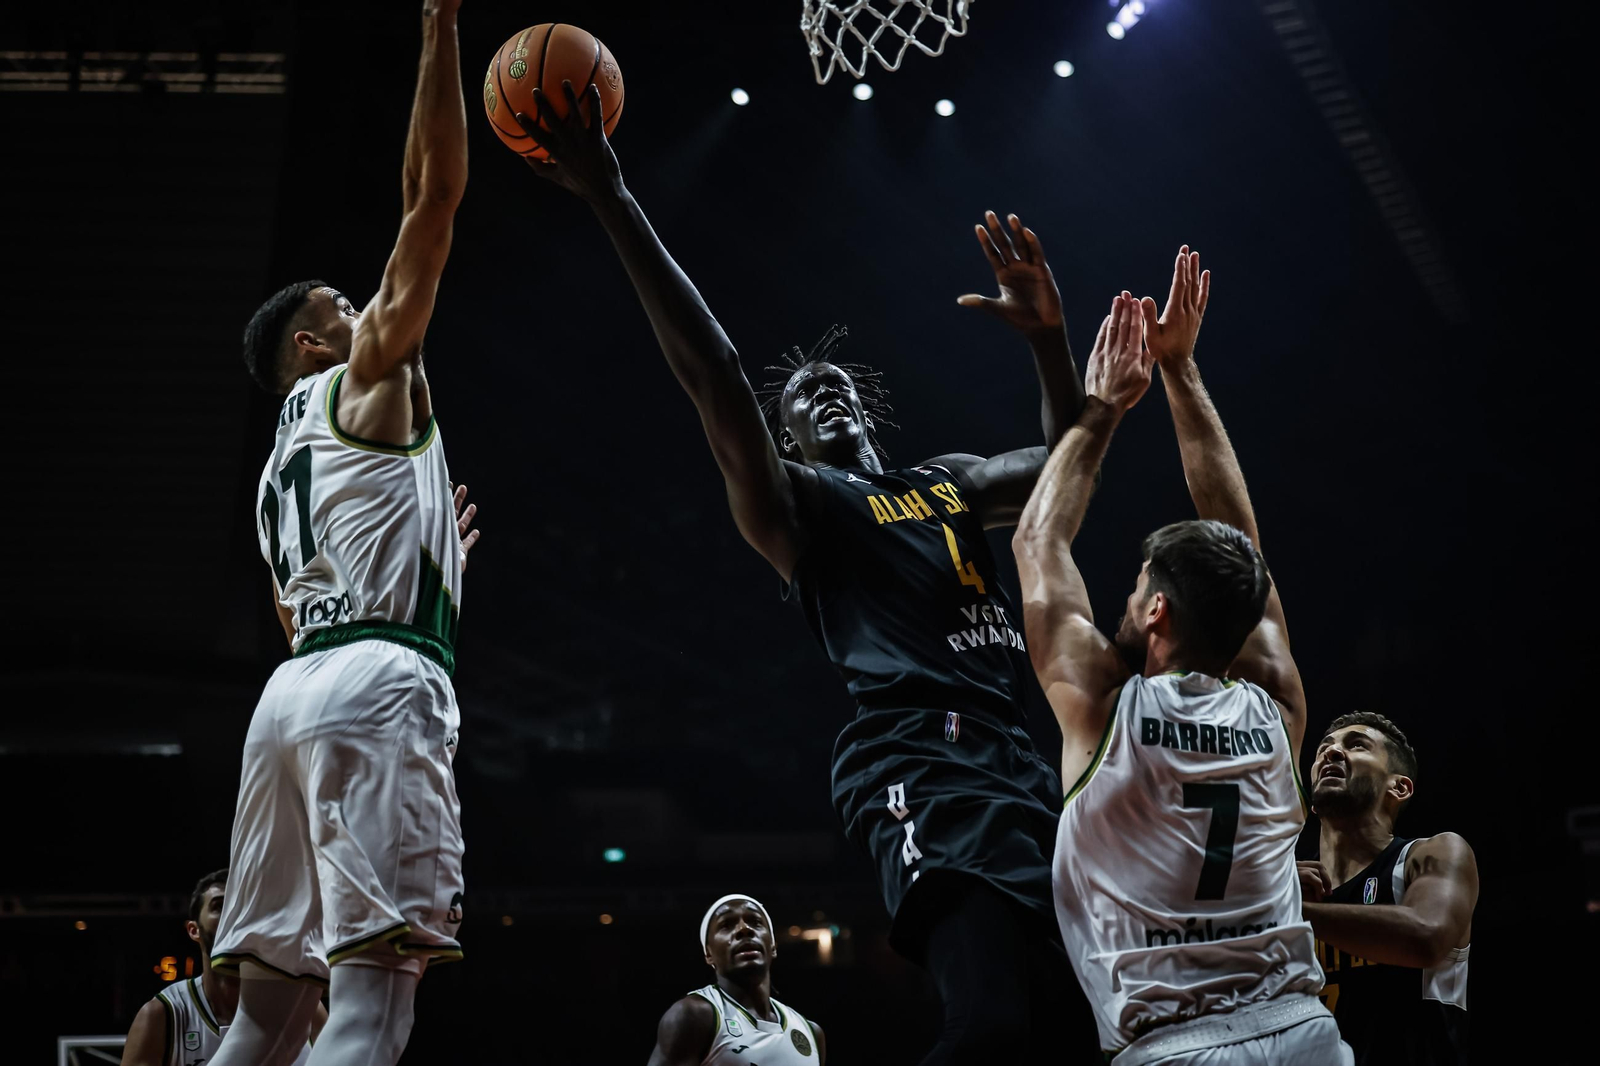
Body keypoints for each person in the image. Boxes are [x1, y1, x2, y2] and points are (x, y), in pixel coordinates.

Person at [520, 81, 1098, 1061]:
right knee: (991, 1022)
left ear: (867, 408)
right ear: (786, 437)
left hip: (1019, 757)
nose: (821, 398)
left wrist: (1048, 341)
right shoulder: (803, 506)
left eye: (834, 388)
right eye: (800, 402)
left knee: (1062, 1026)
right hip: (919, 759)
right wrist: (612, 195)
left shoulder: (949, 479)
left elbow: (1067, 465)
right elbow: (713, 372)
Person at [208, 3, 470, 1064]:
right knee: (373, 998)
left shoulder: (280, 457)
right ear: (318, 343)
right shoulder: (370, 378)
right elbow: (433, 196)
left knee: (263, 1017)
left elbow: (292, 612)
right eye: (349, 302)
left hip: (290, 696)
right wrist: (441, 30)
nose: (375, 305)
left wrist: (435, 576)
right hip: (374, 679)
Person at [1011, 254, 1349, 1063]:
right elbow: (1244, 549)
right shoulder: (1276, 702)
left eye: (1135, 587)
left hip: (1176, 1045)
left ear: (1156, 608)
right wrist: (1182, 371)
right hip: (1305, 1032)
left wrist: (1104, 406)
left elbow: (1036, 539)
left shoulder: (1102, 708)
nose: (1126, 598)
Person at [1298, 712, 1474, 1063]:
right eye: (1324, 748)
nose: (1330, 754)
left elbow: (1425, 937)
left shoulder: (1430, 854)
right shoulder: (1289, 880)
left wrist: (1281, 906)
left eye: (1357, 745)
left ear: (1400, 787)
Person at [122, 869, 328, 1066]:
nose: (232, 916)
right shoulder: (162, 1014)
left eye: (241, 907)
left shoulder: (304, 1007)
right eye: (220, 906)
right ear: (194, 930)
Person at [648, 895, 826, 1066]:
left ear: (772, 945)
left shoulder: (810, 1032)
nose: (744, 929)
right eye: (726, 925)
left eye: (755, 922)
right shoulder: (694, 1015)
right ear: (708, 953)